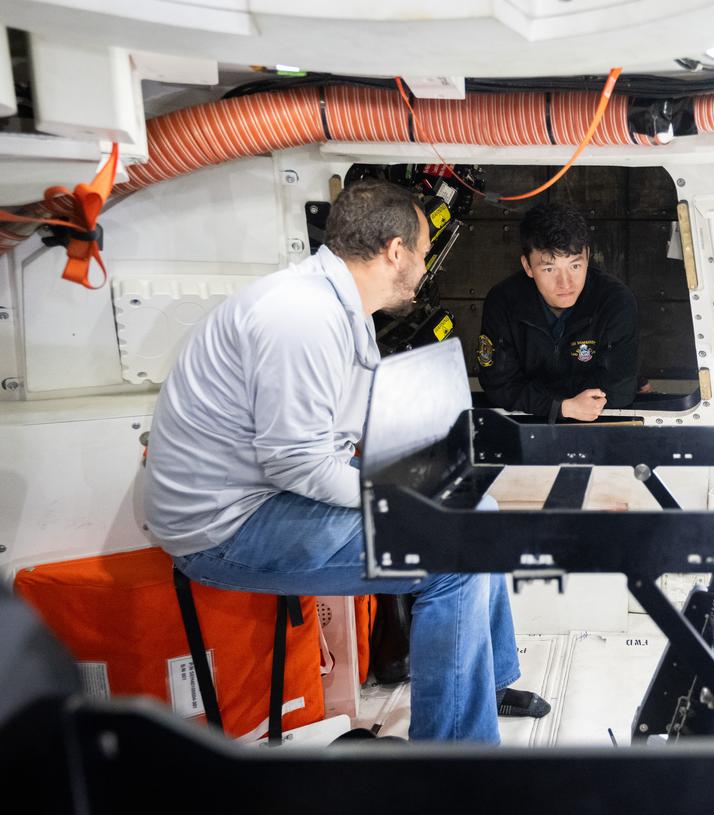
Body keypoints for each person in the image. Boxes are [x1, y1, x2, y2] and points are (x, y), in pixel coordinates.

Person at [144, 179, 549, 743]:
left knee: (476, 504)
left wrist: (425, 468)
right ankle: (460, 762)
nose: (426, 263)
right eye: (425, 250)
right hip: (225, 529)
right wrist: (403, 494)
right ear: (394, 250)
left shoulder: (340, 305)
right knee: (455, 552)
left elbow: (336, 427)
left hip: (265, 497)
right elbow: (296, 464)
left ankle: (487, 684)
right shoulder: (302, 316)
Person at [477, 202, 640, 422]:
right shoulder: (503, 302)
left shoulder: (615, 302)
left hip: (597, 423)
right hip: (525, 423)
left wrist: (536, 394)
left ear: (587, 257)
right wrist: (561, 407)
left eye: (575, 266)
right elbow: (498, 386)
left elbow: (619, 390)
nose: (566, 283)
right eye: (549, 268)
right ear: (527, 266)